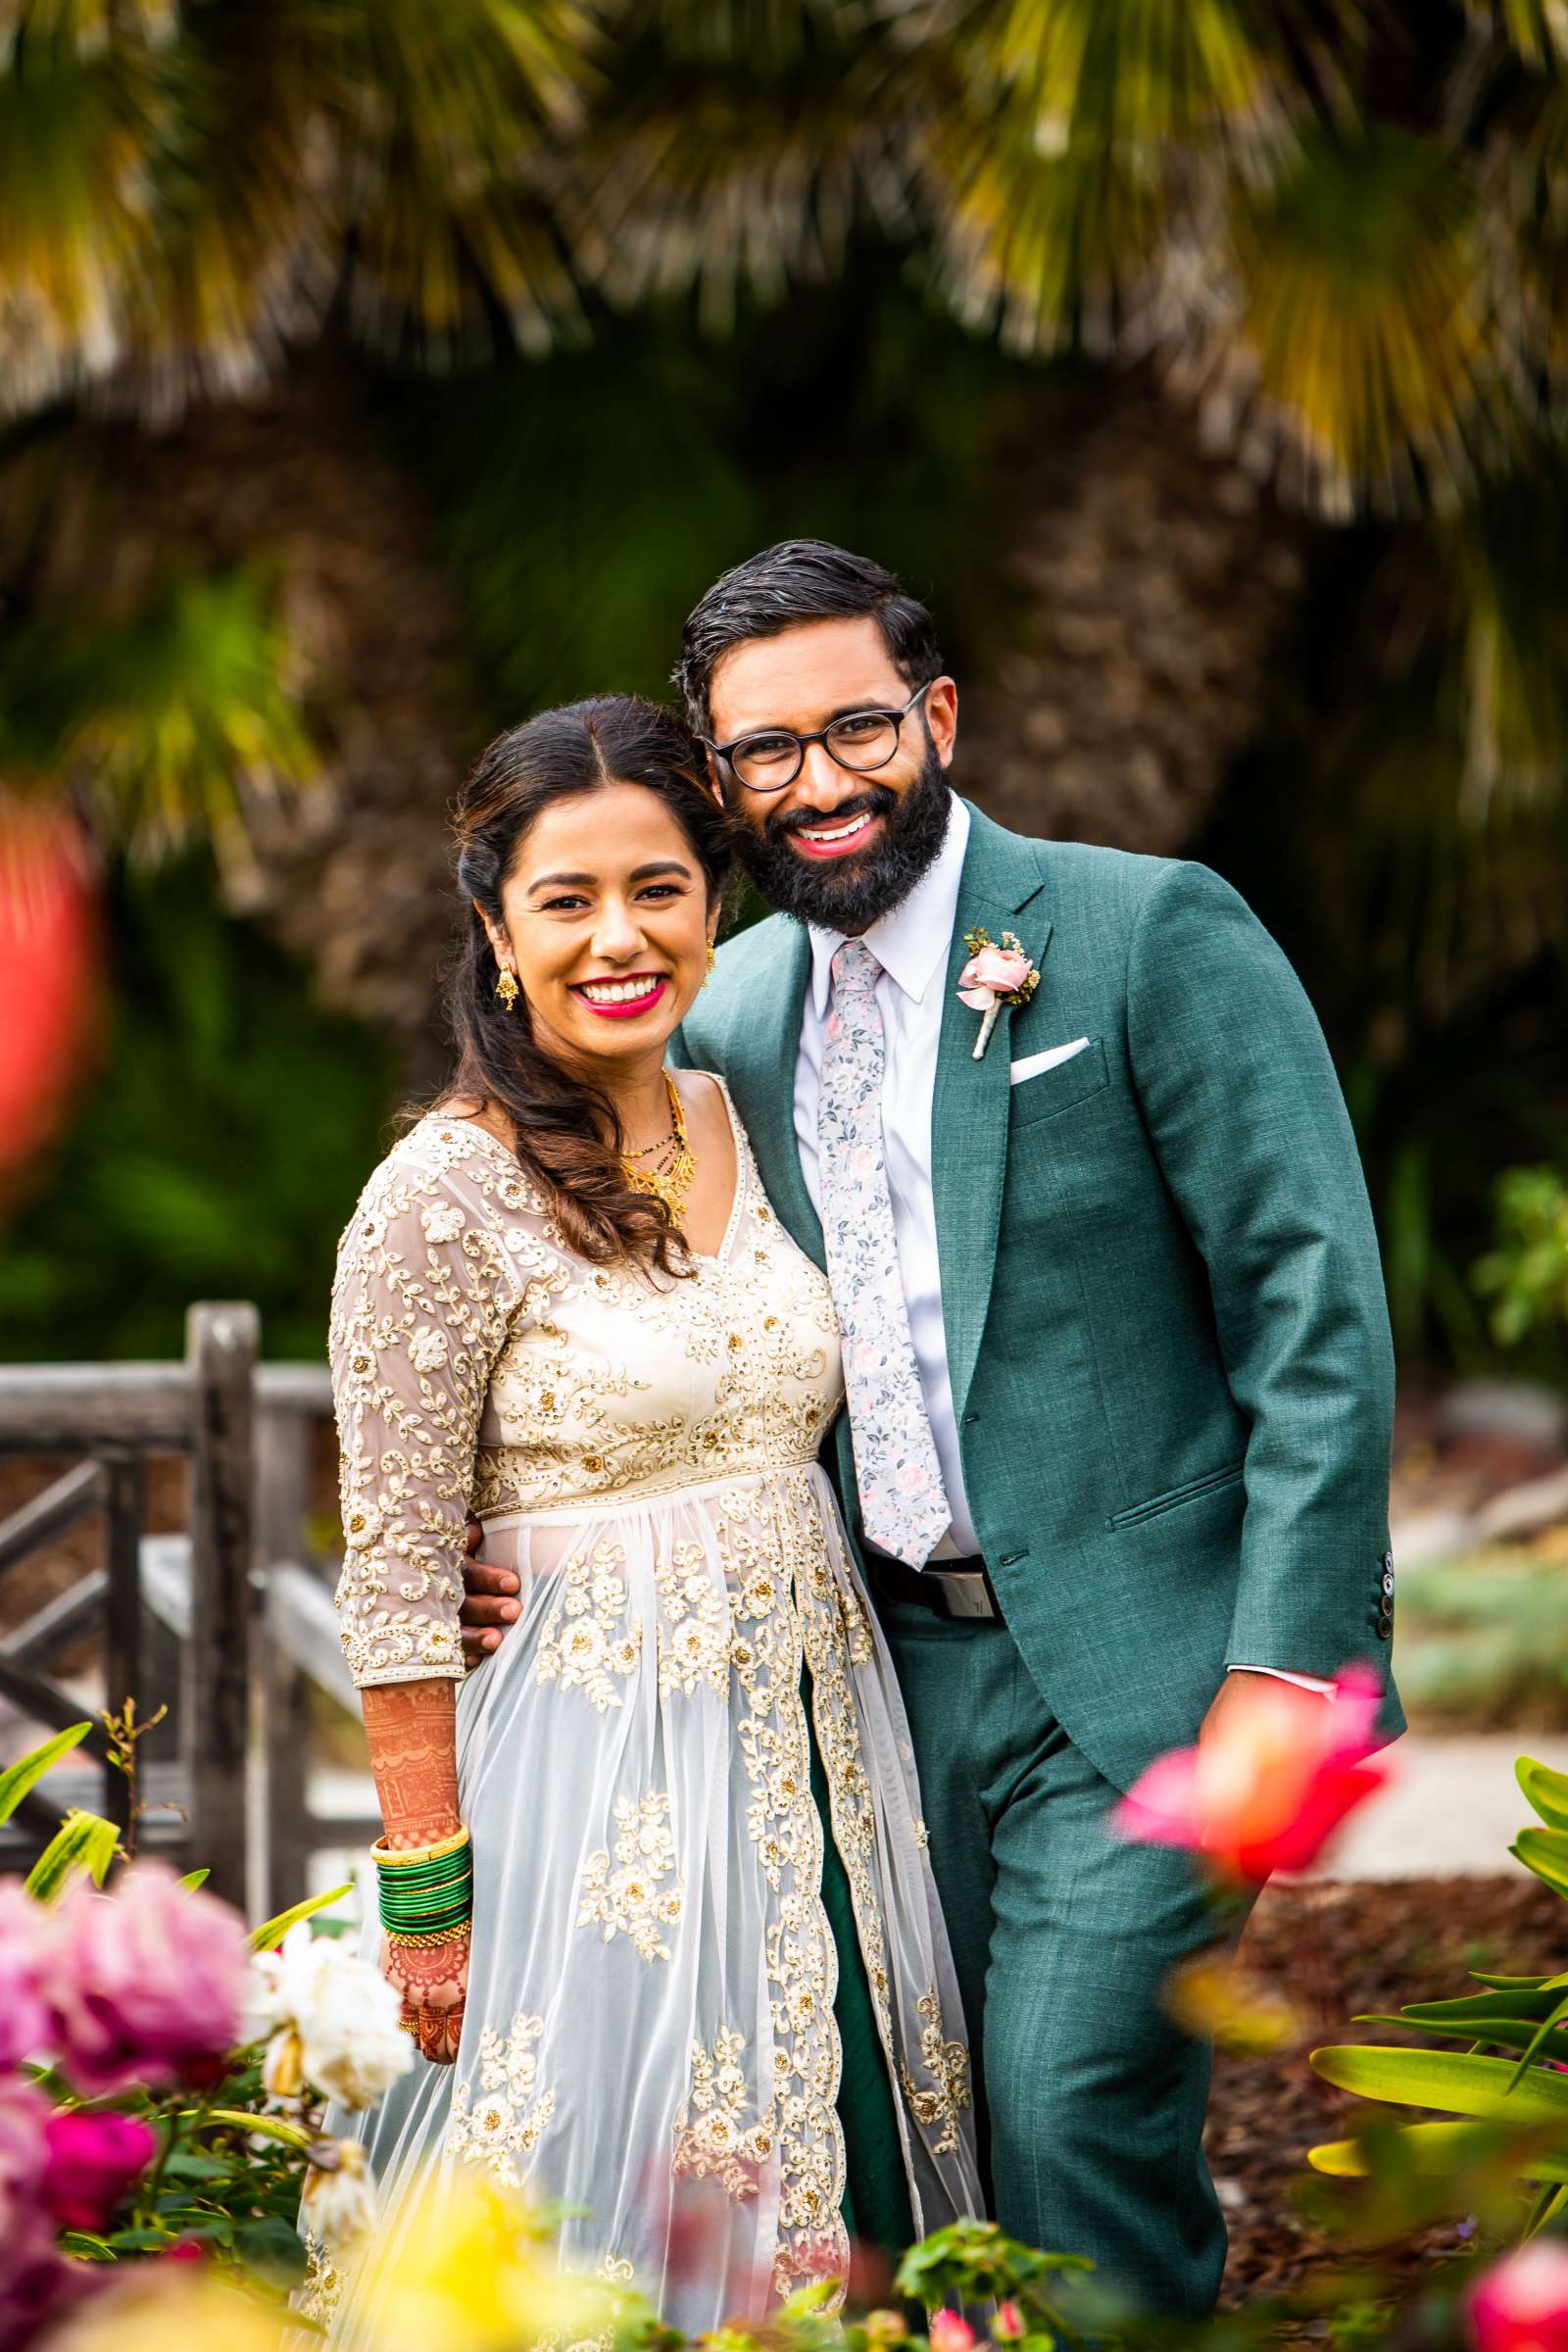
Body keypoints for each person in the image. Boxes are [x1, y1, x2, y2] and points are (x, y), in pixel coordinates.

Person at [461, 545, 1404, 2317]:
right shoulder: (719, 1010)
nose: (817, 784)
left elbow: (1316, 1316)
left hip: (1146, 1674)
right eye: (765, 753)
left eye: (857, 729)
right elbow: (597, 1324)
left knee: (1063, 2121)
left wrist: (1285, 1668)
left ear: (937, 718)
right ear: (717, 772)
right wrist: (483, 1557)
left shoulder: (1144, 934)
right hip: (858, 1685)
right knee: (889, 2152)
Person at [315, 695, 982, 2344]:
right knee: (605, 2238)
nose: (620, 938)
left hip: (820, 1754)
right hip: (586, 1804)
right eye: (567, 899)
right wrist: (427, 1898)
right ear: (494, 927)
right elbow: (397, 1575)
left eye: (661, 889)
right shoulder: (437, 1196)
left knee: (854, 2197)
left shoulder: (747, 1116)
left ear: (715, 899)